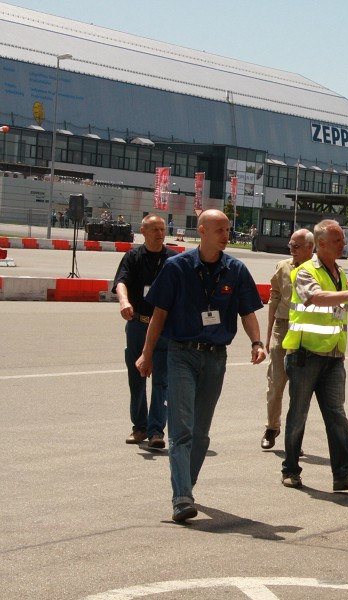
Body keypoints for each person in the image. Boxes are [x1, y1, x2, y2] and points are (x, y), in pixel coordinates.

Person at [136, 209, 266, 523]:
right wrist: (147, 353)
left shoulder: (236, 270)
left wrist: (256, 342)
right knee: (181, 430)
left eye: (228, 230)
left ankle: (186, 485)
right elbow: (159, 315)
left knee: (201, 434)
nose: (226, 235)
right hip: (181, 354)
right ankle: (181, 497)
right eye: (220, 229)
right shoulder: (176, 267)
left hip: (216, 357)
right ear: (202, 231)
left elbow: (247, 311)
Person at [280, 219, 348, 491]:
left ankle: (343, 474)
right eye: (337, 240)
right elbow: (315, 298)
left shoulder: (339, 273)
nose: (343, 243)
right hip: (305, 355)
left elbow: (337, 312)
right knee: (298, 415)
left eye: (342, 239)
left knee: (336, 414)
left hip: (333, 356)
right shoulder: (305, 271)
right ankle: (290, 469)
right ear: (320, 244)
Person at [113, 214, 178, 449]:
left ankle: (156, 431)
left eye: (162, 229)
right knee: (137, 377)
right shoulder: (133, 257)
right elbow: (121, 281)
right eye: (155, 229)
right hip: (138, 325)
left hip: (163, 329)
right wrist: (123, 301)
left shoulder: (174, 259)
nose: (160, 233)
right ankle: (139, 427)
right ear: (143, 231)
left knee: (162, 380)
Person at [260, 228, 314, 450]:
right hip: (283, 329)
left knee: (300, 389)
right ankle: (272, 426)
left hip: (308, 331)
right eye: (290, 245)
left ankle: (294, 438)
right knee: (276, 380)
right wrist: (268, 333)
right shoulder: (282, 267)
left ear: (311, 247)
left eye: (297, 246)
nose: (292, 249)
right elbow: (274, 298)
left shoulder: (319, 270)